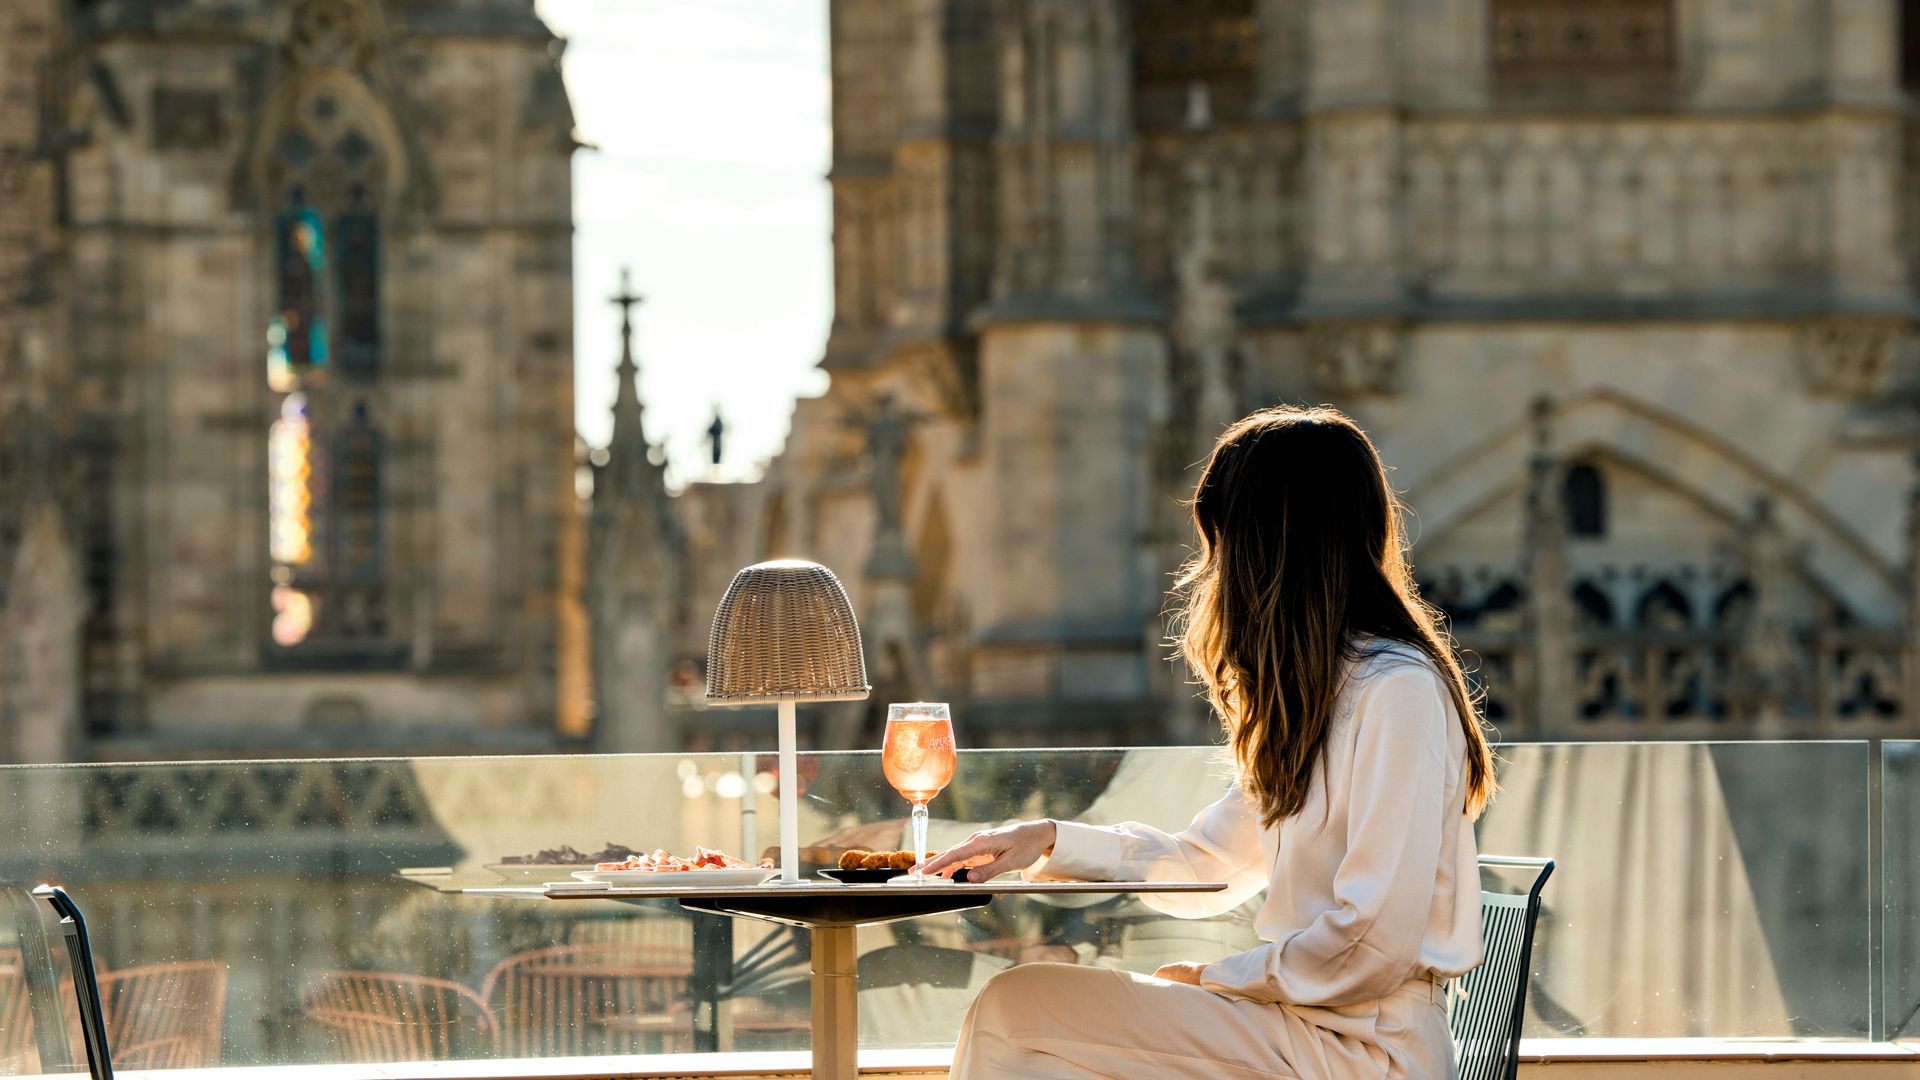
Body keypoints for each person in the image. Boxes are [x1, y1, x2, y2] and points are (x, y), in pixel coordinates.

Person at [919, 405, 1499, 1079]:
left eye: (1220, 542)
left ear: (1267, 547)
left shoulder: (1397, 691)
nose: (1209, 569)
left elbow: (1373, 945)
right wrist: (1050, 838)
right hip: (1299, 1026)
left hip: (1365, 1051)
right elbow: (1203, 866)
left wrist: (1221, 977)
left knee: (1018, 1012)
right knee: (1018, 1014)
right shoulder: (1319, 695)